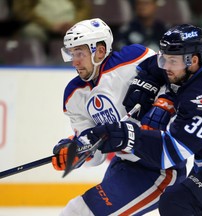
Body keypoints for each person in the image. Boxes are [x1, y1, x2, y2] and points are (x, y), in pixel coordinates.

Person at [83, 24, 202, 215]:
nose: (166, 67)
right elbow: (152, 65)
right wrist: (147, 82)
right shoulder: (194, 65)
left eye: (172, 62)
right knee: (192, 206)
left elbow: (170, 153)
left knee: (178, 203)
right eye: (164, 58)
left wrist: (126, 136)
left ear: (192, 61)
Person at [51, 18, 186, 216]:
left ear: (100, 50)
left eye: (80, 53)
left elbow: (176, 80)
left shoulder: (133, 59)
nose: (75, 61)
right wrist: (75, 152)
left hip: (158, 168)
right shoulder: (73, 94)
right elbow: (96, 155)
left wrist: (164, 103)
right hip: (124, 163)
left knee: (79, 211)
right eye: (71, 53)